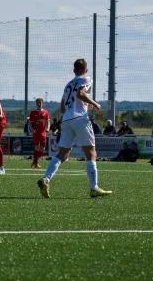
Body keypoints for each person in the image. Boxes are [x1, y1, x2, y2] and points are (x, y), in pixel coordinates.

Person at [37, 59, 112, 199]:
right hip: (79, 119)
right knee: (91, 153)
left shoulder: (68, 85)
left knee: (62, 154)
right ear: (86, 70)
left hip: (66, 120)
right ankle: (94, 188)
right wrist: (95, 104)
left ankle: (46, 179)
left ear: (74, 71)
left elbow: (62, 108)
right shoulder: (86, 79)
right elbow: (81, 94)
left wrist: (83, 105)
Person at [29, 98, 50, 169]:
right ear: (36, 103)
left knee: (42, 149)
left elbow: (47, 122)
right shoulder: (33, 112)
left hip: (43, 133)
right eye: (38, 102)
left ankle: (34, 162)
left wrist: (48, 128)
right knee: (37, 148)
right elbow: (30, 122)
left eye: (40, 102)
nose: (39, 103)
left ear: (42, 103)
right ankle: (36, 163)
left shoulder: (45, 112)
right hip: (36, 132)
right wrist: (31, 129)